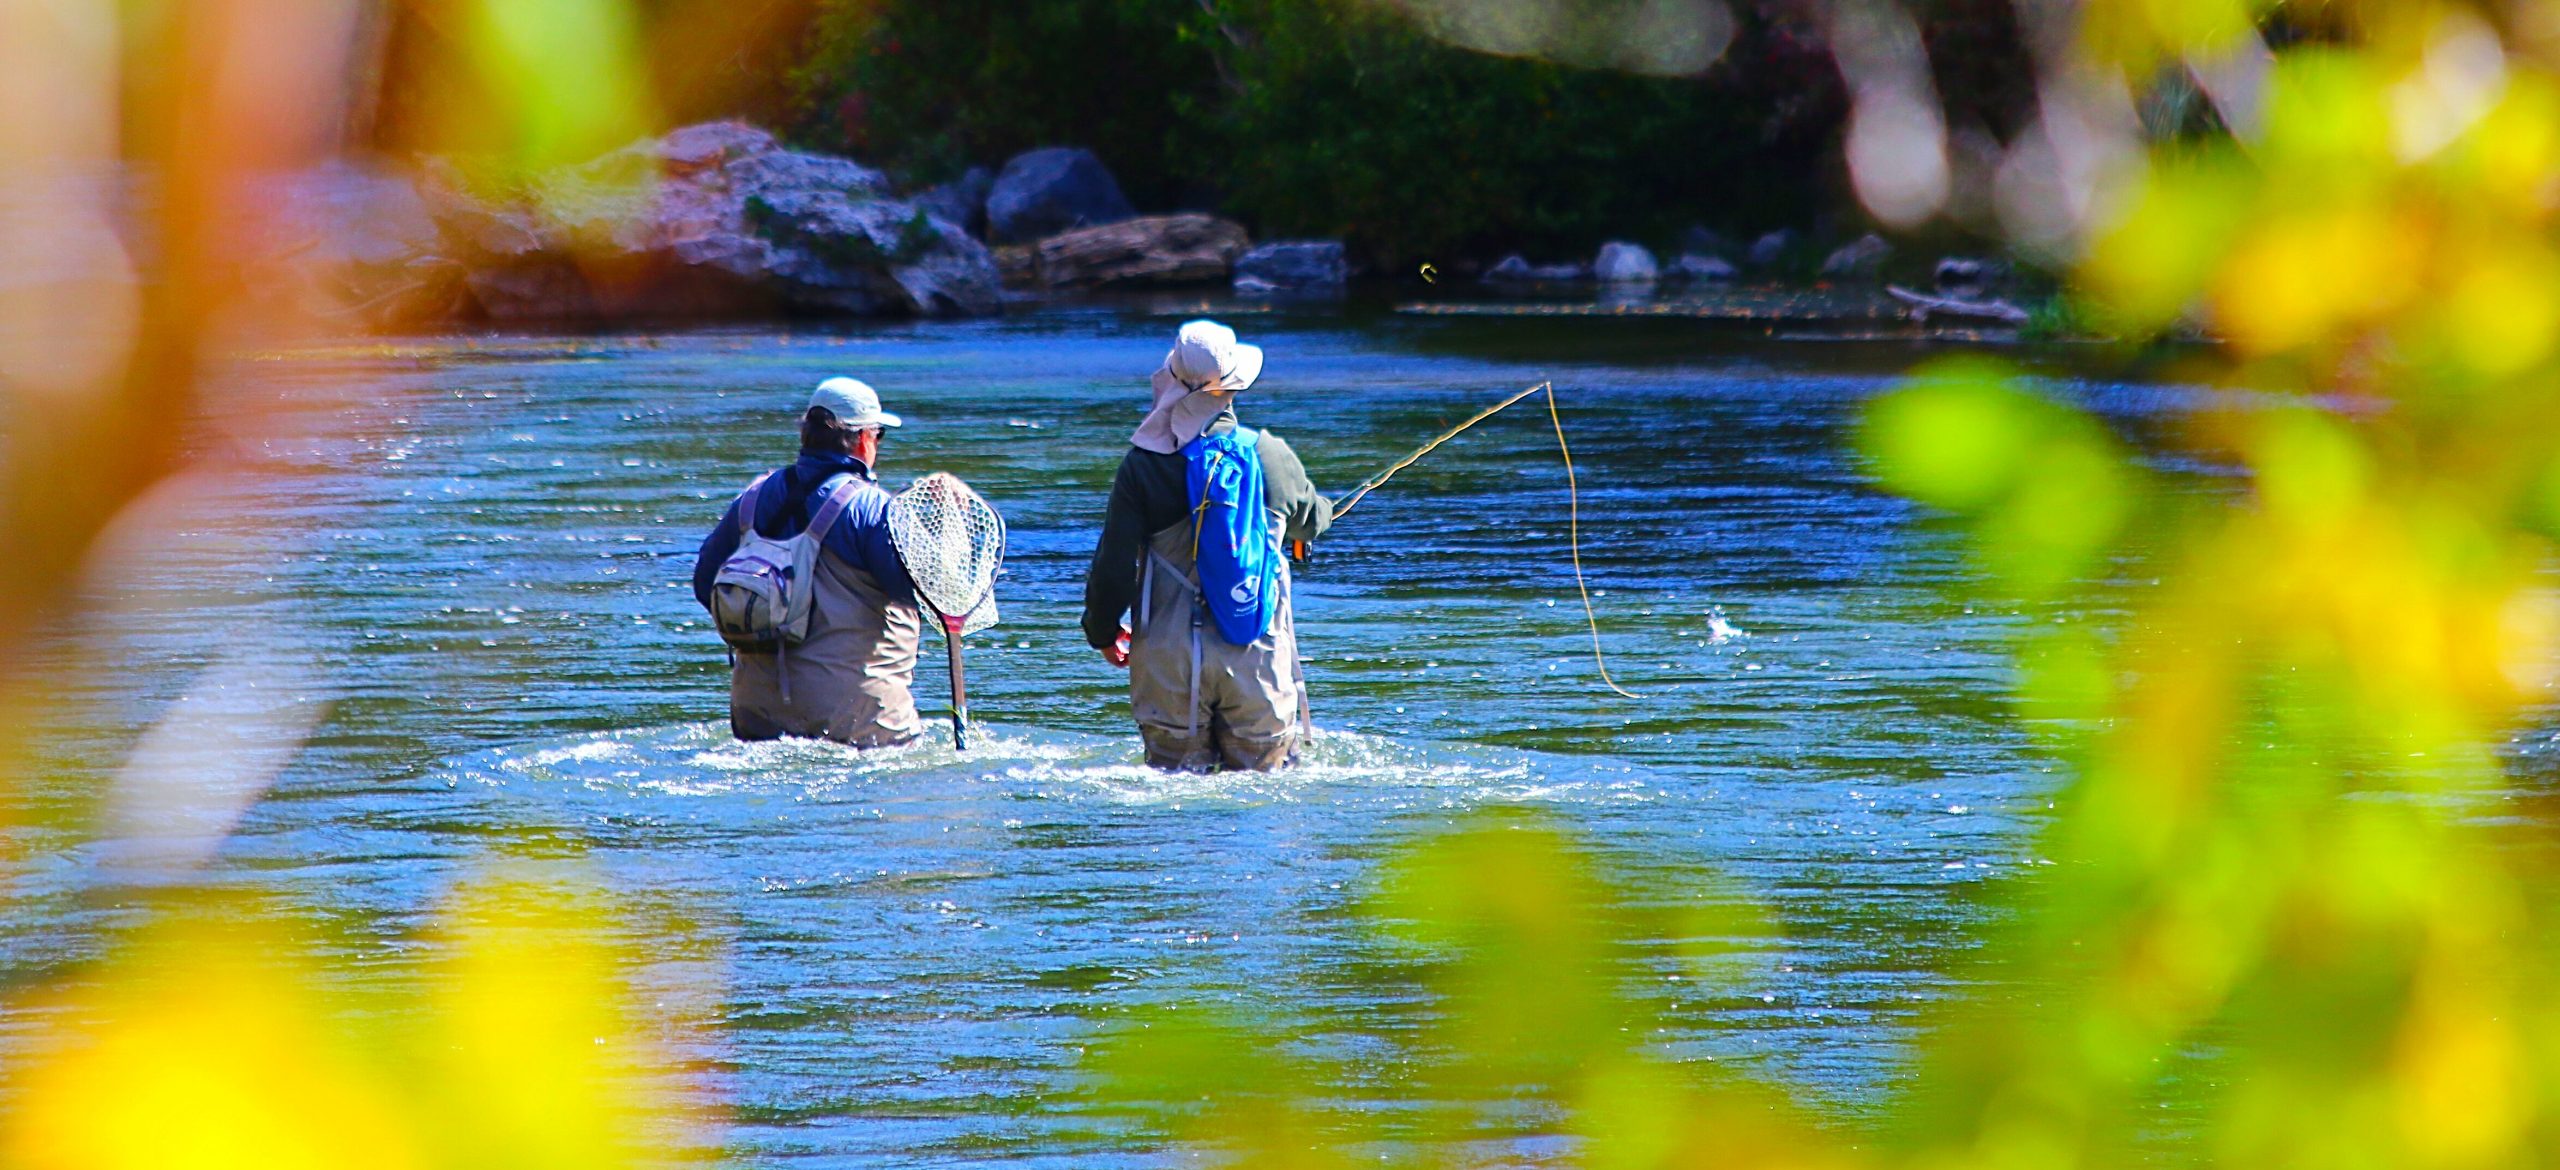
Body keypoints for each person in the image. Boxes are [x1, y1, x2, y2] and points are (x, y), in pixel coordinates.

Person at [1081, 320, 1333, 771]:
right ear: (1235, 385)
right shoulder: (1271, 455)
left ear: (1171, 379)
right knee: (1266, 792)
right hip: (1255, 652)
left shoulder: (1143, 466)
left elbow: (1113, 567)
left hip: (1168, 659)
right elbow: (1311, 524)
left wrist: (1102, 632)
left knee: (1175, 800)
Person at [693, 377, 922, 747]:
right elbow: (915, 591)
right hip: (855, 720)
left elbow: (706, 583)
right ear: (864, 439)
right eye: (879, 435)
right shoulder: (871, 508)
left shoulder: (752, 499)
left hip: (756, 712)